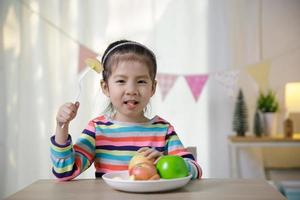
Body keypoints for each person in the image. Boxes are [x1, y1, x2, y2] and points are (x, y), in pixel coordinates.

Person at [50, 40, 202, 181]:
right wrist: (61, 126)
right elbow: (64, 171)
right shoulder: (97, 129)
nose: (131, 90)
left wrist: (164, 161)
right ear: (105, 87)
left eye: (141, 81)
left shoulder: (163, 130)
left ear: (153, 88)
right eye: (121, 81)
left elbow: (195, 170)